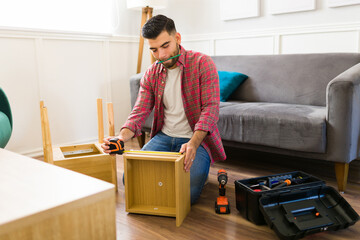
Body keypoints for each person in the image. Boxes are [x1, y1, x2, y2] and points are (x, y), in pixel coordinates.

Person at [102, 14, 226, 204]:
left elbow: (210, 109)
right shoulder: (152, 73)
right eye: (154, 50)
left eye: (165, 46)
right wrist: (121, 138)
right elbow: (139, 111)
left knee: (187, 194)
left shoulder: (203, 63)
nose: (161, 55)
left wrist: (193, 143)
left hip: (195, 140)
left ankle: (193, 172)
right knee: (131, 181)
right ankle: (171, 178)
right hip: (164, 136)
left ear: (177, 38)